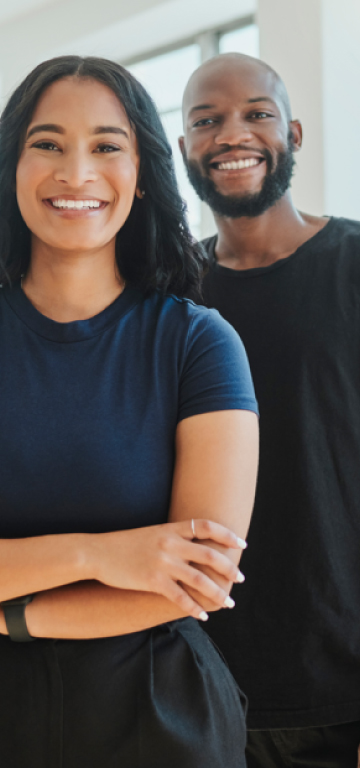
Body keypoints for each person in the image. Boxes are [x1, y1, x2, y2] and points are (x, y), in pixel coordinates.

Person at [0, 55, 259, 768]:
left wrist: (0, 605)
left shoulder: (199, 345)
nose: (76, 173)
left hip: (154, 718)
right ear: (10, 167)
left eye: (106, 146)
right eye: (46, 144)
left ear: (141, 173)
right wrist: (102, 554)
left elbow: (198, 577)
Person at [180, 53, 360, 768]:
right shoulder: (167, 293)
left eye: (257, 113)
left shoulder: (352, 264)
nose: (233, 134)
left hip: (338, 685)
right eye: (207, 120)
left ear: (295, 132)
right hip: (197, 680)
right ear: (185, 147)